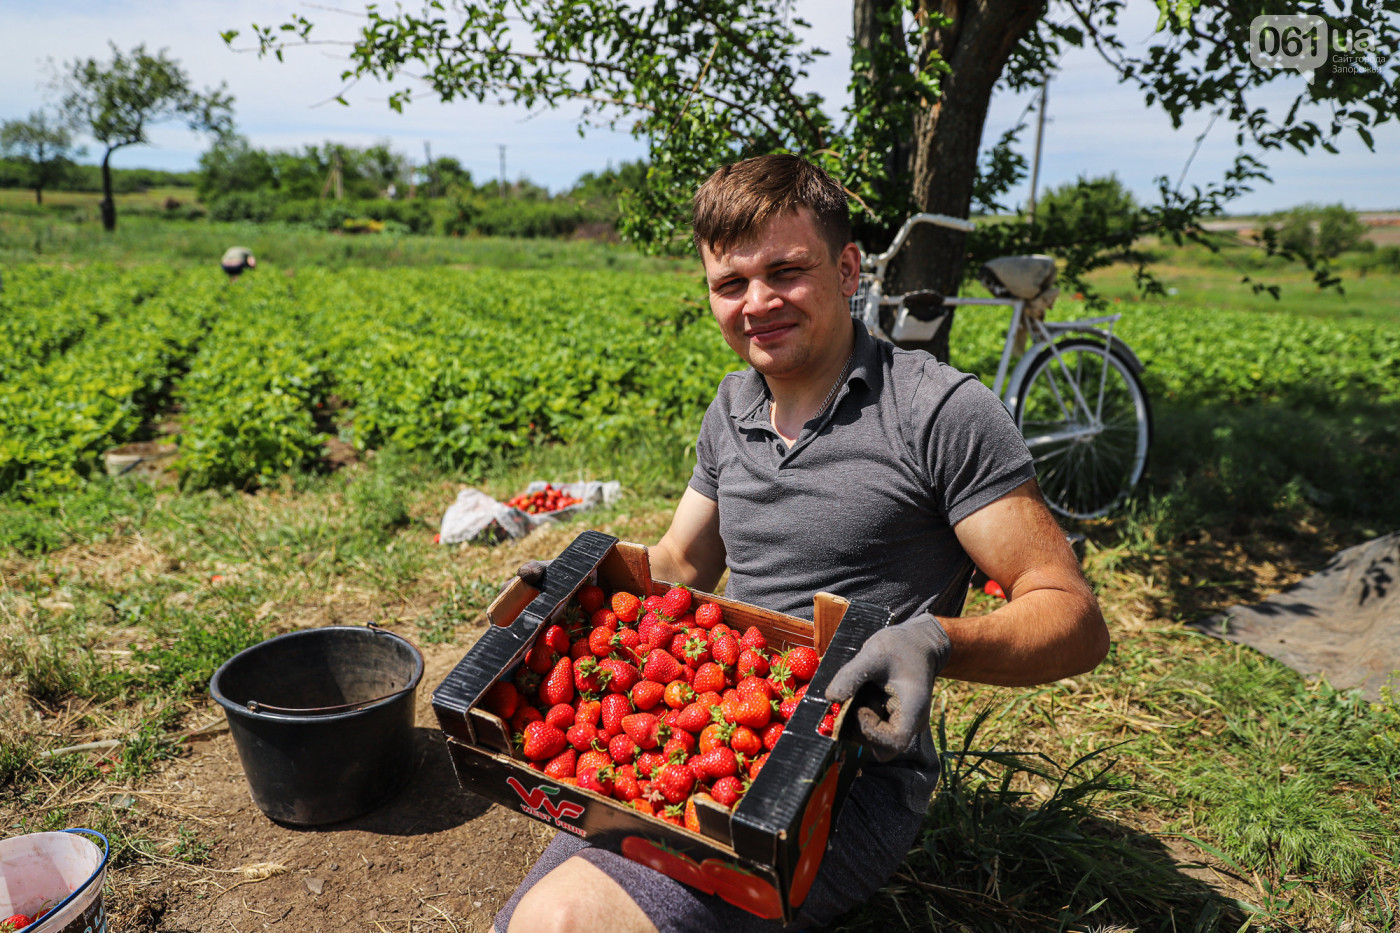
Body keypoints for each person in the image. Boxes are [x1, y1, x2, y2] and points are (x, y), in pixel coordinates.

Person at [496, 154, 1110, 933]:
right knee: (541, 920)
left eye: (786, 271)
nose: (758, 303)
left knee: (563, 923)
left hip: (844, 779)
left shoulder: (940, 412)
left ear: (849, 267)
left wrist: (932, 639)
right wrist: (575, 590)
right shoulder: (734, 402)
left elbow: (1074, 619)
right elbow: (684, 564)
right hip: (711, 730)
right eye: (731, 283)